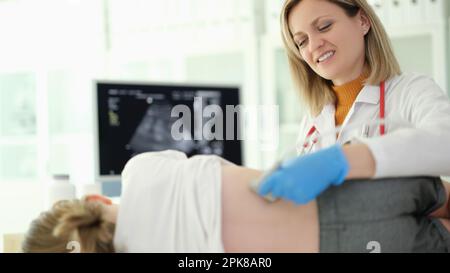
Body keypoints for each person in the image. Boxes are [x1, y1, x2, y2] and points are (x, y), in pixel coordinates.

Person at [21, 151, 450, 253]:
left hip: (348, 247)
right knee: (441, 194)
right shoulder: (140, 169)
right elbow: (220, 165)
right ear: (94, 199)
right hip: (338, 190)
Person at [257, 0, 450, 208]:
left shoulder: (411, 91)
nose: (314, 45)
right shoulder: (313, 121)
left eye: (324, 26)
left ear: (363, 21)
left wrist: (348, 159)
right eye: (302, 42)